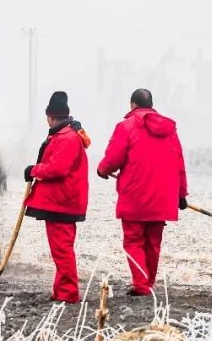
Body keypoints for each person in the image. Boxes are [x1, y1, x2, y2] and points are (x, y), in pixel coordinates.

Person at [96, 88, 188, 297]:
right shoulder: (169, 130)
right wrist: (181, 194)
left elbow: (113, 157)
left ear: (133, 105)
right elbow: (179, 163)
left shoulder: (126, 126)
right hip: (163, 197)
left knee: (134, 240)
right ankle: (148, 282)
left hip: (135, 196)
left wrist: (103, 170)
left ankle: (141, 285)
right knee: (153, 242)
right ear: (151, 105)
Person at [23, 91, 91, 304]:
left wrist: (33, 170)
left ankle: (69, 293)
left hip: (62, 203)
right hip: (62, 202)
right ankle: (60, 291)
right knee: (60, 249)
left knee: (62, 250)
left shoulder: (67, 138)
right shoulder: (66, 135)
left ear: (52, 117)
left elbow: (57, 169)